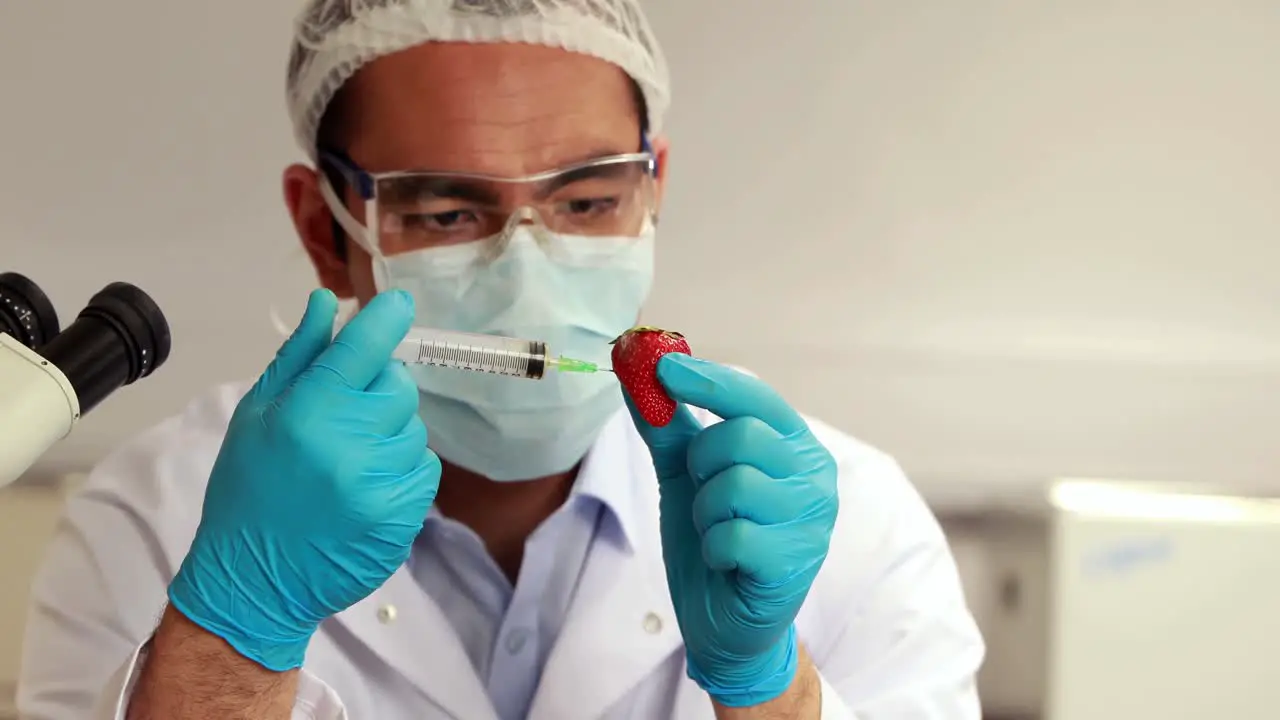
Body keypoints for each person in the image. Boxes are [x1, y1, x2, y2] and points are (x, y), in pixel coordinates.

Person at [17, 1, 984, 718]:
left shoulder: (849, 522)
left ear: (654, 189)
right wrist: (237, 627)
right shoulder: (156, 517)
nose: (528, 271)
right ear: (325, 226)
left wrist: (772, 687)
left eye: (589, 202)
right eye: (447, 212)